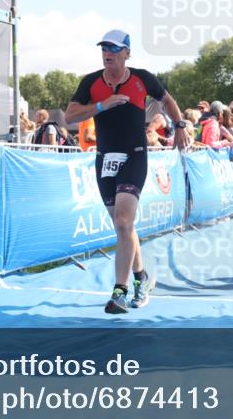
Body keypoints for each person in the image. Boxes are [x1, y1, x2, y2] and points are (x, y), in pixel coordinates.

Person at [64, 29, 190, 314]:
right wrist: (100, 106)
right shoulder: (91, 82)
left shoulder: (142, 78)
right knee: (123, 226)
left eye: (113, 48)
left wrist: (180, 126)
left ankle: (119, 292)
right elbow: (70, 116)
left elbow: (168, 101)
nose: (107, 53)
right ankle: (141, 277)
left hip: (135, 155)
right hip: (105, 158)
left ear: (126, 53)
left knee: (123, 221)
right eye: (104, 48)